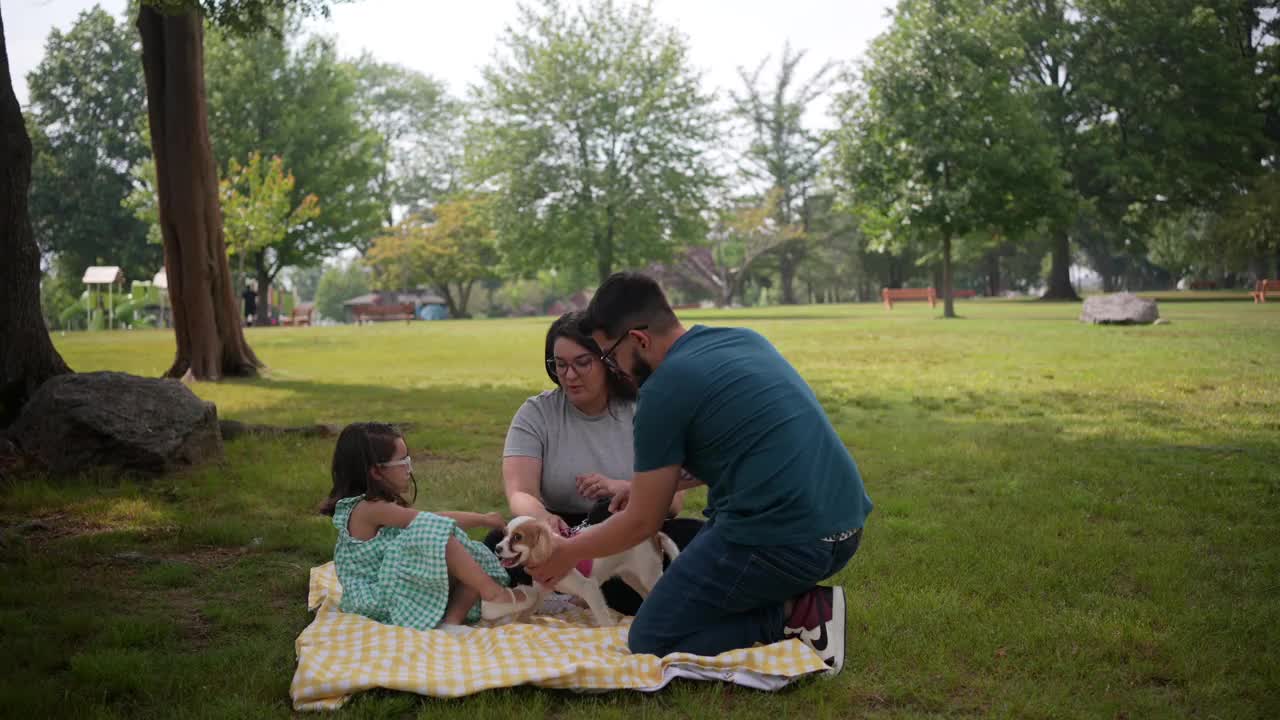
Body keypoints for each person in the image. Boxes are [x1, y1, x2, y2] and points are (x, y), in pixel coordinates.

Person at [528, 273, 873, 673]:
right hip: (844, 529)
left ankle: (795, 614)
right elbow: (746, 447)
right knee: (692, 591)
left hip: (782, 541)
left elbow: (642, 521)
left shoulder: (661, 391)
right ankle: (782, 601)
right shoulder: (742, 340)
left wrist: (567, 550)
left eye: (609, 356)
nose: (614, 369)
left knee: (652, 637)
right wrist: (642, 486)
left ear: (638, 340)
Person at [488, 312, 702, 615]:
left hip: (623, 537)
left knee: (696, 538)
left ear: (608, 360)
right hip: (556, 536)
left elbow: (673, 500)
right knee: (495, 545)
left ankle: (584, 593)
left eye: (582, 362)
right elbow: (520, 492)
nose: (570, 375)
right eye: (560, 365)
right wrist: (543, 521)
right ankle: (587, 593)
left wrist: (623, 488)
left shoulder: (642, 410)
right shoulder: (536, 413)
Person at [320, 422, 535, 630]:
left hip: (395, 584)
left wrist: (478, 525)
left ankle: (452, 622)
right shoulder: (369, 508)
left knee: (468, 554)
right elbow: (432, 521)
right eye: (403, 462)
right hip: (378, 597)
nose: (409, 468)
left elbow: (433, 522)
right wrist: (483, 519)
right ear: (376, 472)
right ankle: (494, 594)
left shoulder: (378, 505)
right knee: (438, 537)